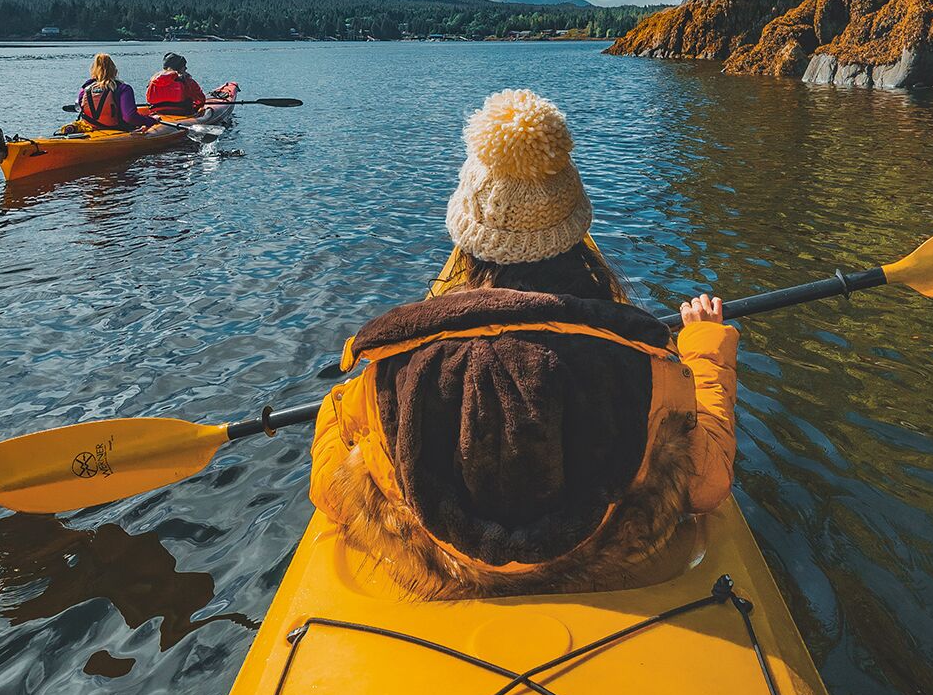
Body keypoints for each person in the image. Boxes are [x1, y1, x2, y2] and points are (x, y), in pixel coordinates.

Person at [310, 89, 738, 599]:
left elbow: (330, 489)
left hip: (441, 580)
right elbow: (707, 481)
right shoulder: (648, 368)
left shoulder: (390, 372)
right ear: (576, 231)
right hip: (603, 571)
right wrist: (705, 347)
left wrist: (336, 407)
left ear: (468, 242)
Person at [63, 53, 155, 133]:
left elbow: (80, 107)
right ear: (114, 70)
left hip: (92, 129)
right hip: (117, 129)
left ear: (93, 70)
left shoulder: (85, 89)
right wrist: (150, 121)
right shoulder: (123, 88)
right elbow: (129, 117)